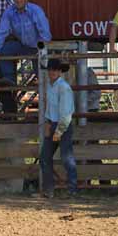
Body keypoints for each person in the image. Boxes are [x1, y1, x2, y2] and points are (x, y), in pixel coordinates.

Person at [0, 0, 52, 113]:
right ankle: (10, 79)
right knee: (4, 50)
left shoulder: (36, 11)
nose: (18, 0)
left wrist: (42, 47)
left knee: (43, 79)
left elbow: (44, 32)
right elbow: (2, 31)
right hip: (23, 45)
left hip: (37, 46)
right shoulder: (9, 12)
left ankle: (48, 110)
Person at [40, 59, 78, 199]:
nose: (52, 72)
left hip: (62, 125)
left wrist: (58, 131)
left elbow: (66, 114)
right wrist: (48, 123)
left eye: (55, 69)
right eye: (50, 69)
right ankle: (53, 190)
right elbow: (53, 108)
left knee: (65, 158)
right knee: (48, 157)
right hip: (55, 124)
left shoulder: (63, 87)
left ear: (60, 71)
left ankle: (70, 189)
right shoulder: (54, 86)